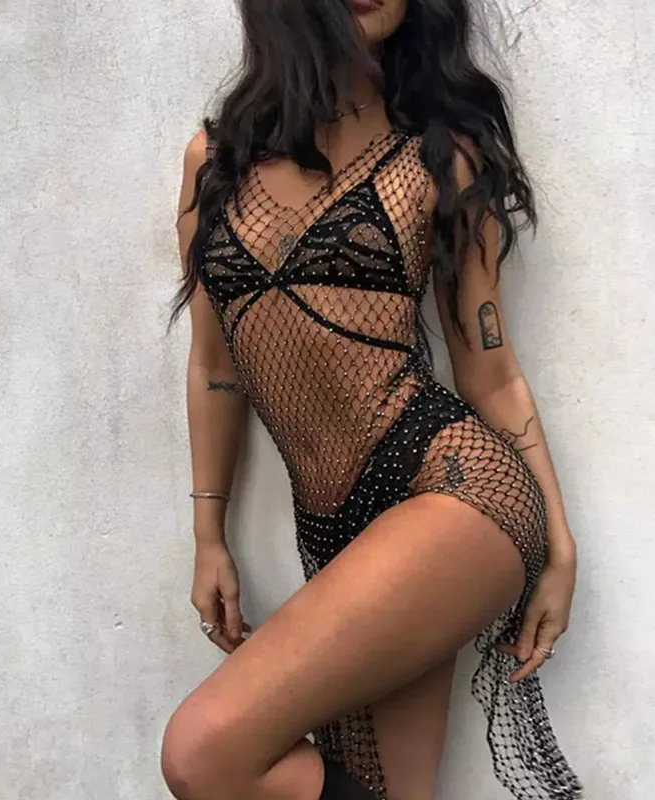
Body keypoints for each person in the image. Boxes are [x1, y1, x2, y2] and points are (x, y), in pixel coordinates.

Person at [161, 1, 583, 798]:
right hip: (334, 522)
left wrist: (560, 548)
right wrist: (207, 533)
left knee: (203, 752)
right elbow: (215, 366)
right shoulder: (213, 163)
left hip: (453, 492)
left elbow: (490, 370)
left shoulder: (440, 157)